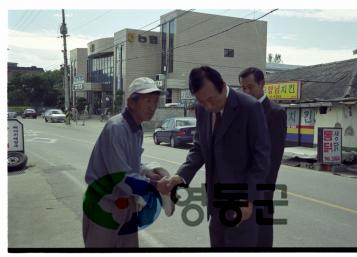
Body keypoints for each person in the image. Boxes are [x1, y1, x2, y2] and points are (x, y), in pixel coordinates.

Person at [165, 66, 271, 247]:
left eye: (211, 99)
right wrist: (182, 175)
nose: (208, 106)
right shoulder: (202, 109)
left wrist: (248, 197)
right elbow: (199, 148)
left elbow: (261, 158)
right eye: (201, 101)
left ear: (222, 86)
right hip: (216, 203)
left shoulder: (249, 108)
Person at [82, 77, 171, 248]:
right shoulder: (116, 127)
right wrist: (154, 185)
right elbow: (120, 176)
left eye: (155, 101)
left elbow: (130, 164)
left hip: (126, 205)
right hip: (104, 205)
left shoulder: (136, 128)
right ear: (131, 102)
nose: (152, 106)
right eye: (147, 101)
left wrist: (148, 172)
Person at [239, 67, 287, 247]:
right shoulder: (241, 111)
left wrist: (263, 187)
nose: (246, 92)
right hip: (241, 181)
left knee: (262, 230)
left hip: (263, 183)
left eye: (250, 87)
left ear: (262, 84)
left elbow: (274, 157)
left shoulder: (275, 112)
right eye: (243, 88)